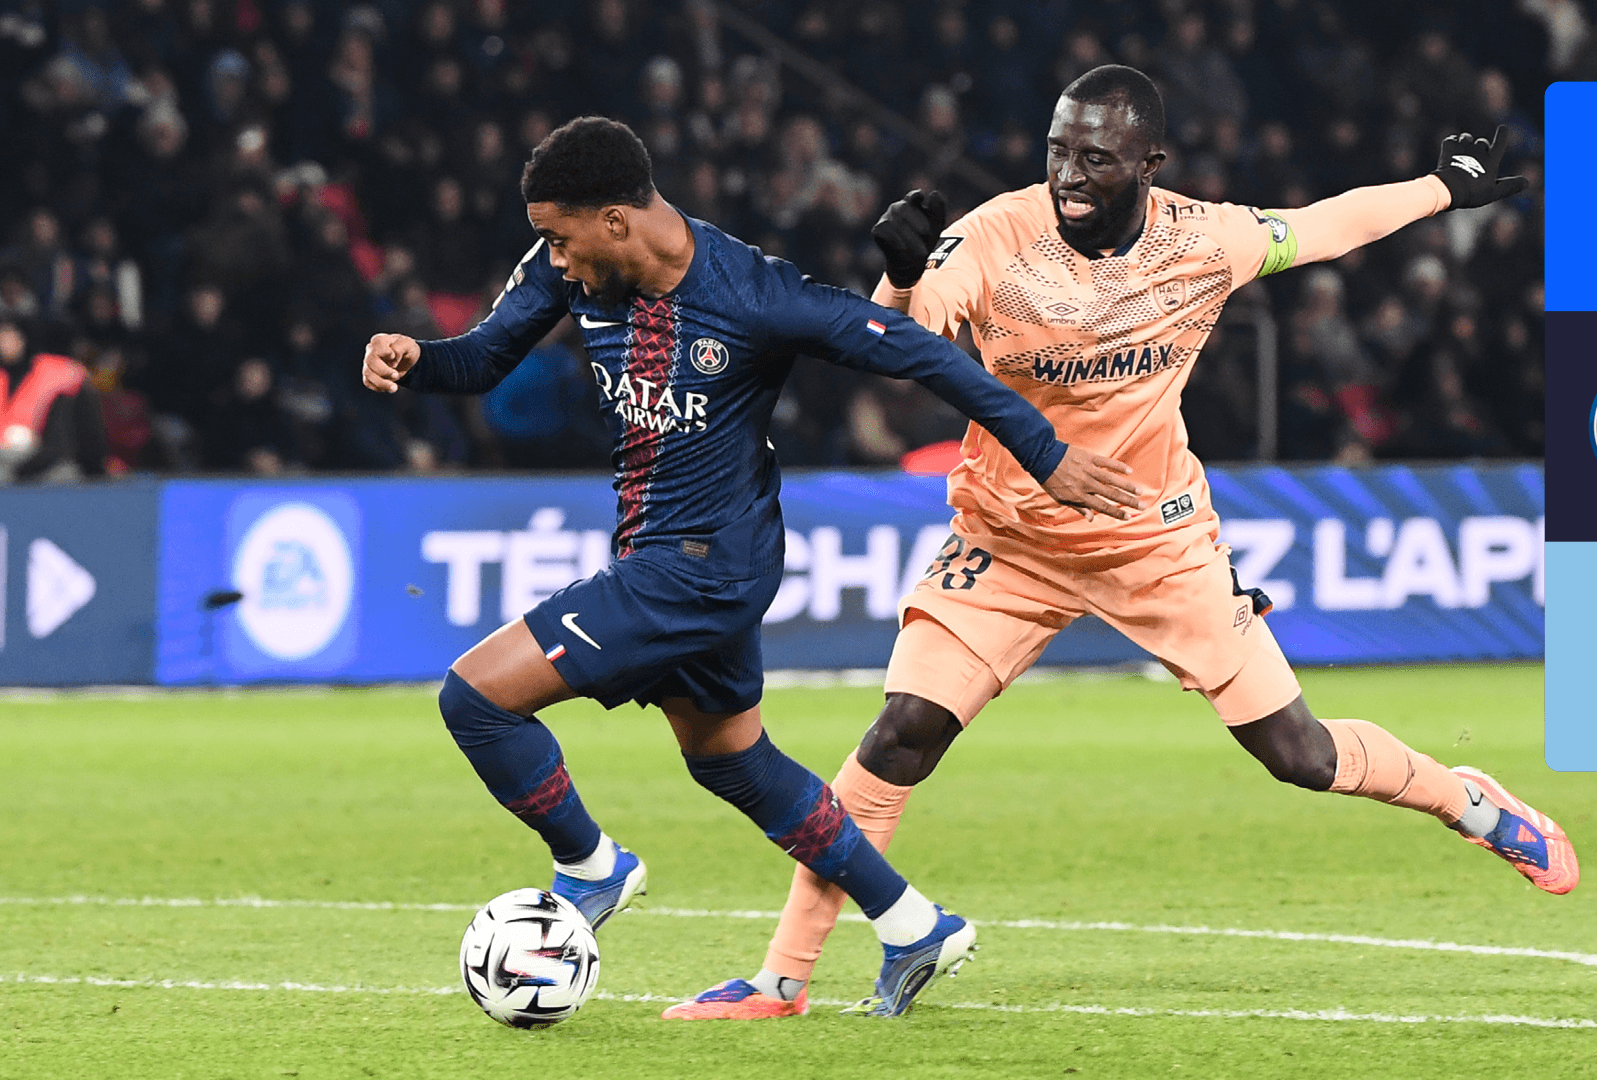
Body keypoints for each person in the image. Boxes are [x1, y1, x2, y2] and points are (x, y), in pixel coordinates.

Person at [666, 65, 1573, 1022]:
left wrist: (1442, 189)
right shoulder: (992, 235)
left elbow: (1325, 225)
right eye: (1058, 151)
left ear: (1150, 164)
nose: (1068, 175)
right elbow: (896, 346)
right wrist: (899, 276)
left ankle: (1470, 804)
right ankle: (783, 979)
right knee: (901, 734)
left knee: (1299, 755)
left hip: (1156, 539)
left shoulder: (1205, 240)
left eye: (1095, 158)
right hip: (1011, 536)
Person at [359, 117, 1144, 1017]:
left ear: (615, 220)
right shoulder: (568, 268)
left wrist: (1044, 451)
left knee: (475, 698)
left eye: (561, 238)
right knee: (731, 760)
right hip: (675, 557)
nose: (555, 259)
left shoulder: (752, 293)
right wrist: (417, 360)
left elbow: (916, 353)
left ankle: (590, 866)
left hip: (702, 569)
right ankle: (913, 924)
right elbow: (483, 358)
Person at [0, 318, 107, 485]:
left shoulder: (57, 372)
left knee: (64, 474)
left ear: (24, 337)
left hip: (46, 456)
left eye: (9, 336)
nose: (4, 343)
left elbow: (70, 437)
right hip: (1, 459)